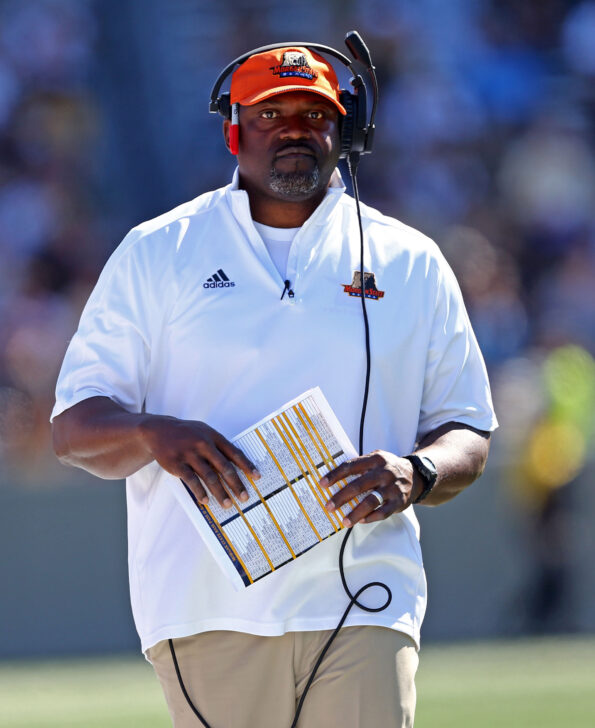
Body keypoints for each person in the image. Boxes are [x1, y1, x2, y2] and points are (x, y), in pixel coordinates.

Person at [51, 43, 497, 728]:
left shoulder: (410, 260)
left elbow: (466, 426)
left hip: (368, 595)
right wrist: (151, 431)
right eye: (270, 114)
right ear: (234, 130)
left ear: (344, 132)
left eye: (314, 114)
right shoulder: (157, 250)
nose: (294, 129)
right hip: (207, 603)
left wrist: (418, 470)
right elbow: (72, 428)